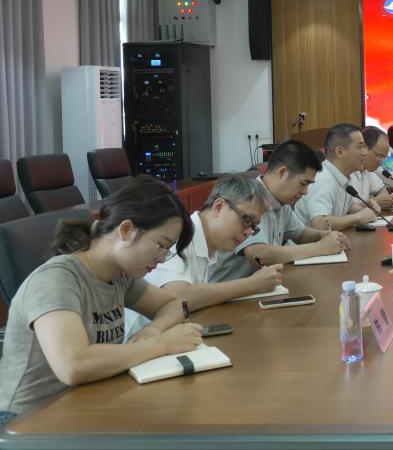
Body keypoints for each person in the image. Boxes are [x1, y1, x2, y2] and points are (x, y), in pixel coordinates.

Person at [0, 176, 203, 424]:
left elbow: (173, 303)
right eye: (161, 245)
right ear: (126, 230)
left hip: (85, 400)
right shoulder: (57, 279)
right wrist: (160, 345)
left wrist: (154, 329)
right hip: (26, 421)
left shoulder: (119, 276)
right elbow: (74, 365)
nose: (162, 259)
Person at [123, 174, 283, 339]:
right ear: (219, 207)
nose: (248, 232)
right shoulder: (180, 236)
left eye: (254, 227)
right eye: (246, 220)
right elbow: (177, 297)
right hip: (135, 342)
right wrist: (251, 284)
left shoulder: (209, 244)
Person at [208, 140, 349, 281]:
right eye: (303, 183)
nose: (306, 191)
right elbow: (258, 254)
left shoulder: (281, 202)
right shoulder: (250, 199)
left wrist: (325, 236)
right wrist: (319, 248)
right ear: (282, 172)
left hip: (259, 286)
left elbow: (300, 234)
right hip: (228, 290)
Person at [293, 124, 382, 231]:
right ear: (339, 152)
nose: (365, 152)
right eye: (360, 147)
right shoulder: (323, 180)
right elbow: (320, 223)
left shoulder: (343, 175)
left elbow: (348, 208)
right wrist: (359, 217)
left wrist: (365, 208)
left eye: (365, 147)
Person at [359, 126, 393, 211]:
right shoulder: (348, 172)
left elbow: (383, 192)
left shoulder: (367, 171)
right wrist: (375, 202)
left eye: (384, 157)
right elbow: (347, 211)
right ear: (364, 148)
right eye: (379, 156)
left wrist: (384, 201)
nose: (381, 162)